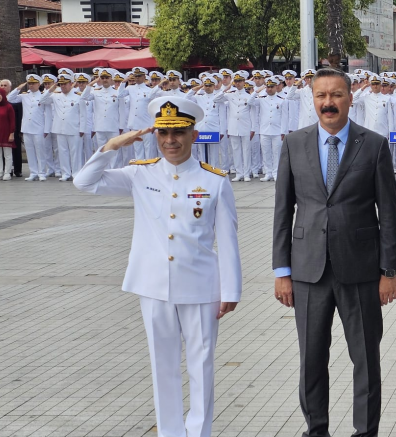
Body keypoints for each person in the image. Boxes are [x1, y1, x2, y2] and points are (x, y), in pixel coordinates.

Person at [73, 96, 242, 437]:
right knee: (162, 366)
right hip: (153, 286)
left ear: (193, 134)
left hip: (200, 287)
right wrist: (112, 145)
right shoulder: (140, 173)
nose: (170, 141)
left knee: (202, 366)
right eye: (163, 134)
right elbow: (84, 182)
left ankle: (198, 432)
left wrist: (231, 289)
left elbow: (228, 238)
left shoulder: (214, 180)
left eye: (178, 133)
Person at [272, 68, 396, 437]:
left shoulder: (374, 144)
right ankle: (317, 430)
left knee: (365, 359)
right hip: (307, 271)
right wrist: (281, 270)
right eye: (321, 96)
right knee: (311, 360)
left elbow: (388, 213)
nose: (328, 103)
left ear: (350, 97)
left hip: (360, 270)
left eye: (337, 95)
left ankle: (365, 431)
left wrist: (388, 270)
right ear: (312, 100)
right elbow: (283, 211)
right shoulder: (294, 143)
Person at [40, 74, 85, 182]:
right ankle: (65, 173)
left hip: (74, 128)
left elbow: (83, 114)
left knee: (75, 152)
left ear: (71, 84)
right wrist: (53, 87)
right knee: (62, 152)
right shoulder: (56, 95)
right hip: (59, 128)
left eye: (65, 84)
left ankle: (76, 173)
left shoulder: (78, 95)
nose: (63, 86)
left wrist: (82, 128)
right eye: (61, 84)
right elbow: (42, 100)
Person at [7, 76, 49, 180]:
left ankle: (42, 173)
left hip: (39, 127)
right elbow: (9, 98)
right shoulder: (24, 96)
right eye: (29, 83)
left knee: (40, 151)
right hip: (26, 128)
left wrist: (46, 129)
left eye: (33, 83)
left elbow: (48, 114)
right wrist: (18, 88)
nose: (31, 85)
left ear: (39, 84)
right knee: (30, 151)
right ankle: (33, 172)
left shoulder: (43, 96)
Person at [254, 76, 289, 182]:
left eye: (272, 87)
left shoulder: (282, 100)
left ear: (276, 87)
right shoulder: (261, 99)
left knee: (276, 153)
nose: (269, 89)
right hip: (264, 130)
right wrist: (257, 91)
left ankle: (276, 173)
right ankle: (268, 173)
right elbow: (250, 101)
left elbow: (285, 117)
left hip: (277, 131)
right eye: (268, 87)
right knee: (266, 153)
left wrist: (284, 131)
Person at [0, 87, 16, 180]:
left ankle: (7, 172)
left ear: (3, 95)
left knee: (7, 154)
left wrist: (11, 133)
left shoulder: (8, 106)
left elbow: (12, 121)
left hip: (6, 132)